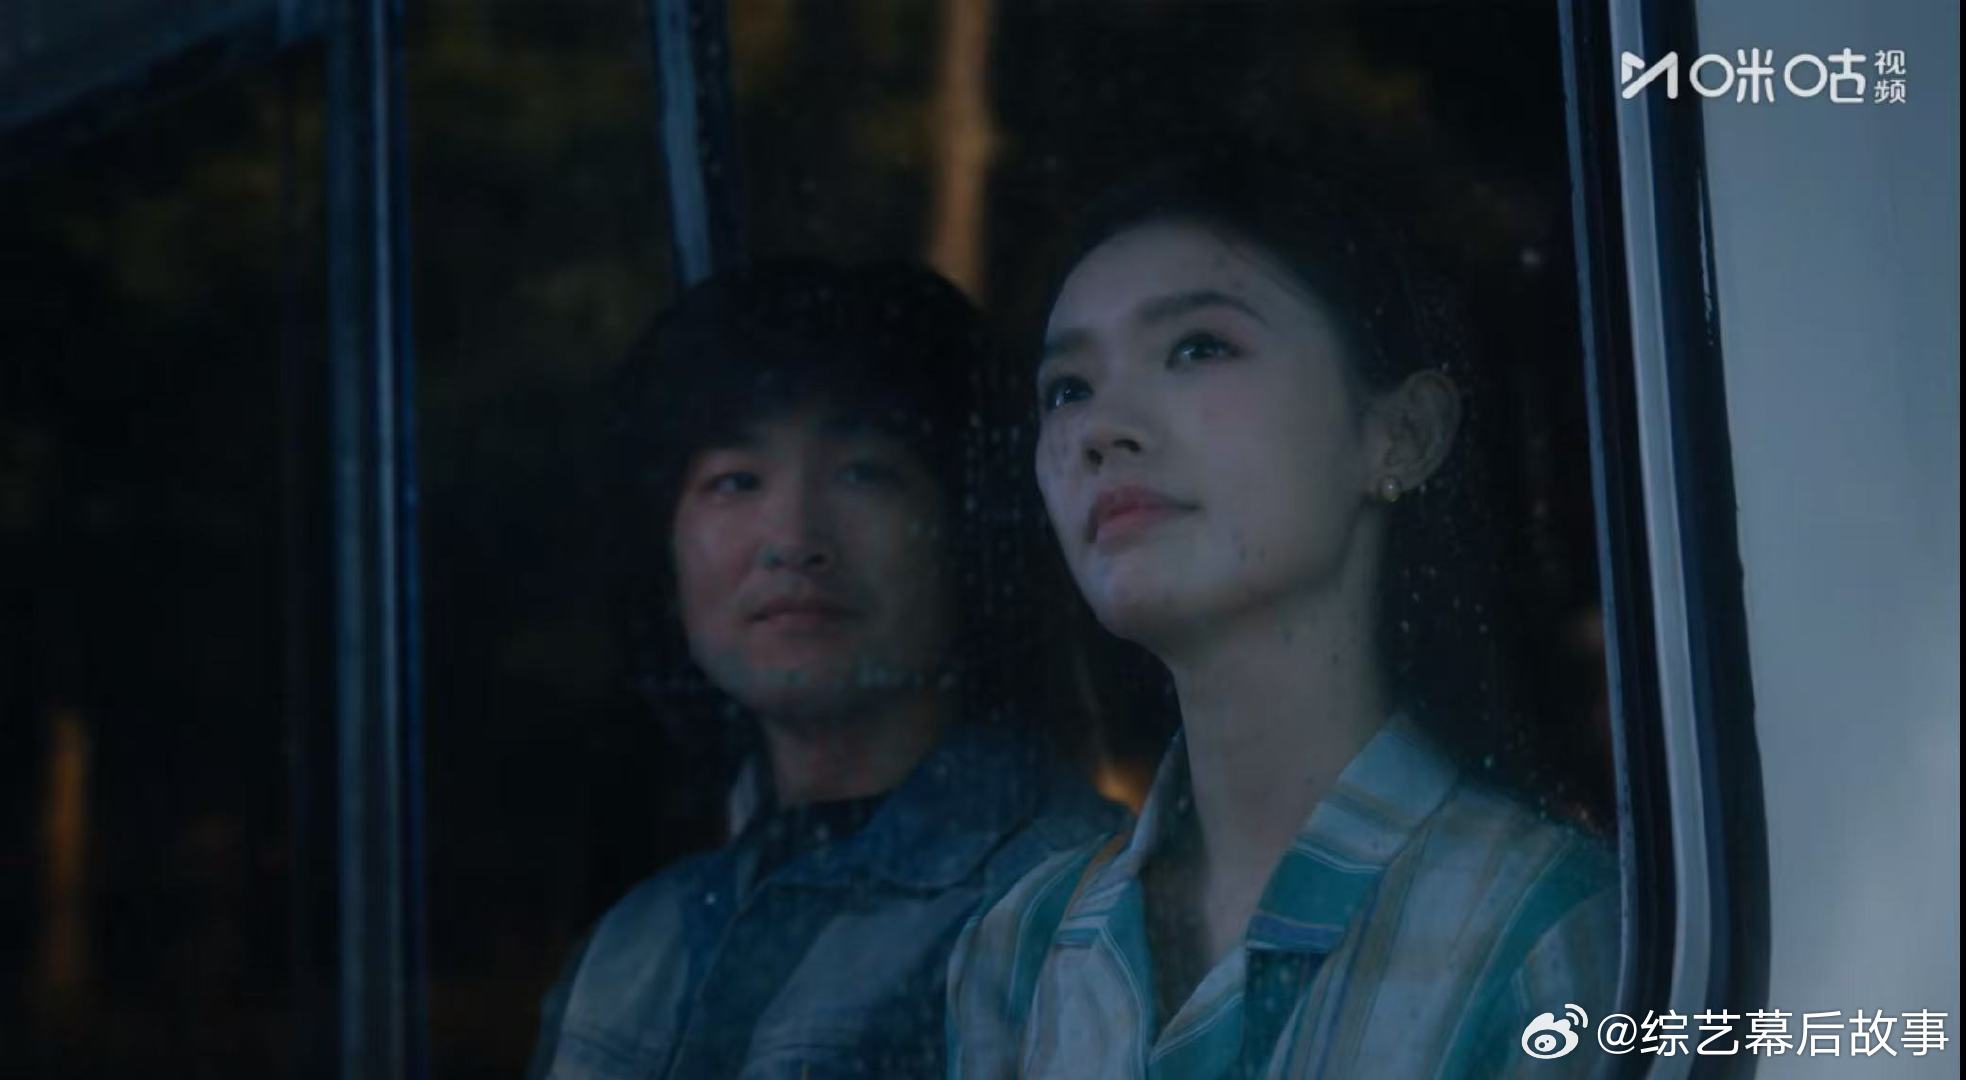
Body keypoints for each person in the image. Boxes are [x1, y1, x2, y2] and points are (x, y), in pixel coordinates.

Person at [946, 150, 1619, 1078]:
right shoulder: (1020, 948)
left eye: (1197, 348)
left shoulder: (1546, 931)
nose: (1100, 429)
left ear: (1403, 433)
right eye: (1068, 389)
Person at [528, 258, 1122, 1080]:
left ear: (967, 531)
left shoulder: (1075, 909)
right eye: (735, 481)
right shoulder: (632, 948)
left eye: (864, 472)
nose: (793, 539)